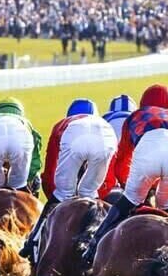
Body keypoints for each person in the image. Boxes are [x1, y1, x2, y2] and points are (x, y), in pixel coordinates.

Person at [84, 84, 168, 263]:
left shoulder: (136, 116)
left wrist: (130, 187)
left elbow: (123, 159)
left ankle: (92, 248)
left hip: (148, 154)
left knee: (129, 200)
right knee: (167, 204)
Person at [18, 98, 118, 261]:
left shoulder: (62, 125)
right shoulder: (103, 124)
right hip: (106, 137)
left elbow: (50, 170)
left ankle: (32, 243)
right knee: (89, 193)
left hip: (75, 139)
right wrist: (96, 195)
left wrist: (56, 196)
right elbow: (110, 179)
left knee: (62, 193)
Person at [0, 97, 42, 194]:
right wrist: (22, 178)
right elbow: (34, 164)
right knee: (21, 186)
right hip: (21, 140)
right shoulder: (26, 124)